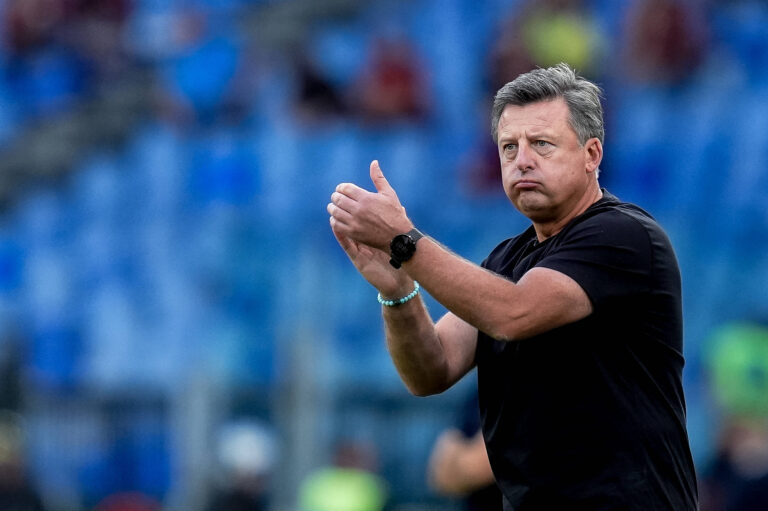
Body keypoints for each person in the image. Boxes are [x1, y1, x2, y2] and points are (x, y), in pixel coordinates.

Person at [327, 63, 698, 510]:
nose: (522, 159)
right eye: (509, 147)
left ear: (592, 154)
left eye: (542, 144)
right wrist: (398, 291)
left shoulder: (624, 236)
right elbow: (431, 370)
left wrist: (405, 242)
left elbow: (514, 314)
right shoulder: (507, 260)